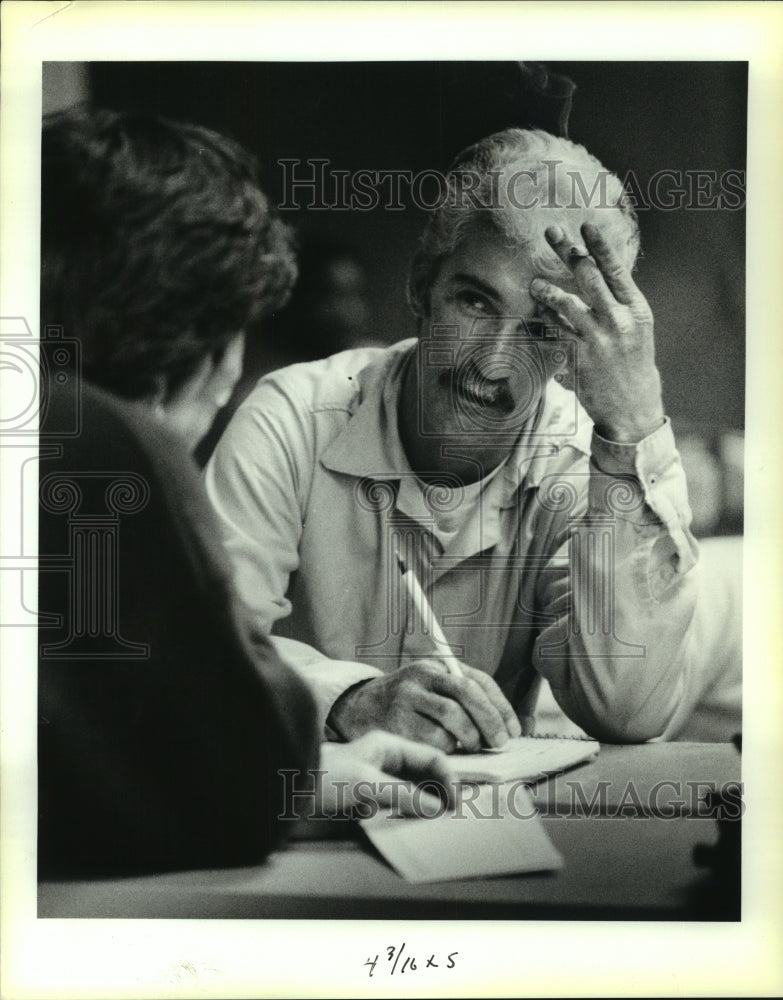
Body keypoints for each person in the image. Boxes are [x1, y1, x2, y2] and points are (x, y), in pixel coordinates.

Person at [38, 108, 451, 877]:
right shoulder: (107, 449)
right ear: (203, 351)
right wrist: (286, 776)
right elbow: (243, 774)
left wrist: (306, 781)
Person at [206, 127, 704, 753]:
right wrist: (348, 701)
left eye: (543, 330)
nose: (493, 364)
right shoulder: (292, 417)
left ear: (570, 350)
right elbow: (207, 656)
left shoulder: (578, 462)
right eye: (474, 301)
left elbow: (627, 710)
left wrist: (633, 424)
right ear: (422, 288)